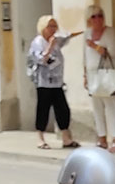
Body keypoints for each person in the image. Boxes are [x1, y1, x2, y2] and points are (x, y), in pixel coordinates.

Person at [29, 14, 82, 150]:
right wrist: (50, 46)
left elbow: (68, 36)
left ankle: (66, 138)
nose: (53, 29)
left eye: (54, 26)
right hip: (43, 82)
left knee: (63, 109)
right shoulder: (38, 42)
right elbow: (41, 59)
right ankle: (40, 138)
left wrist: (83, 31)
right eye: (50, 26)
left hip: (57, 82)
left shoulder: (57, 40)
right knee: (43, 109)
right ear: (43, 27)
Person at [83, 4, 115, 152]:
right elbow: (84, 57)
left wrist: (95, 46)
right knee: (97, 107)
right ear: (89, 19)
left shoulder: (109, 32)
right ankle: (102, 138)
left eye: (100, 15)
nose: (98, 19)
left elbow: (112, 52)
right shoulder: (87, 33)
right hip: (92, 74)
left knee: (111, 106)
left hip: (106, 73)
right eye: (94, 16)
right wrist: (84, 75)